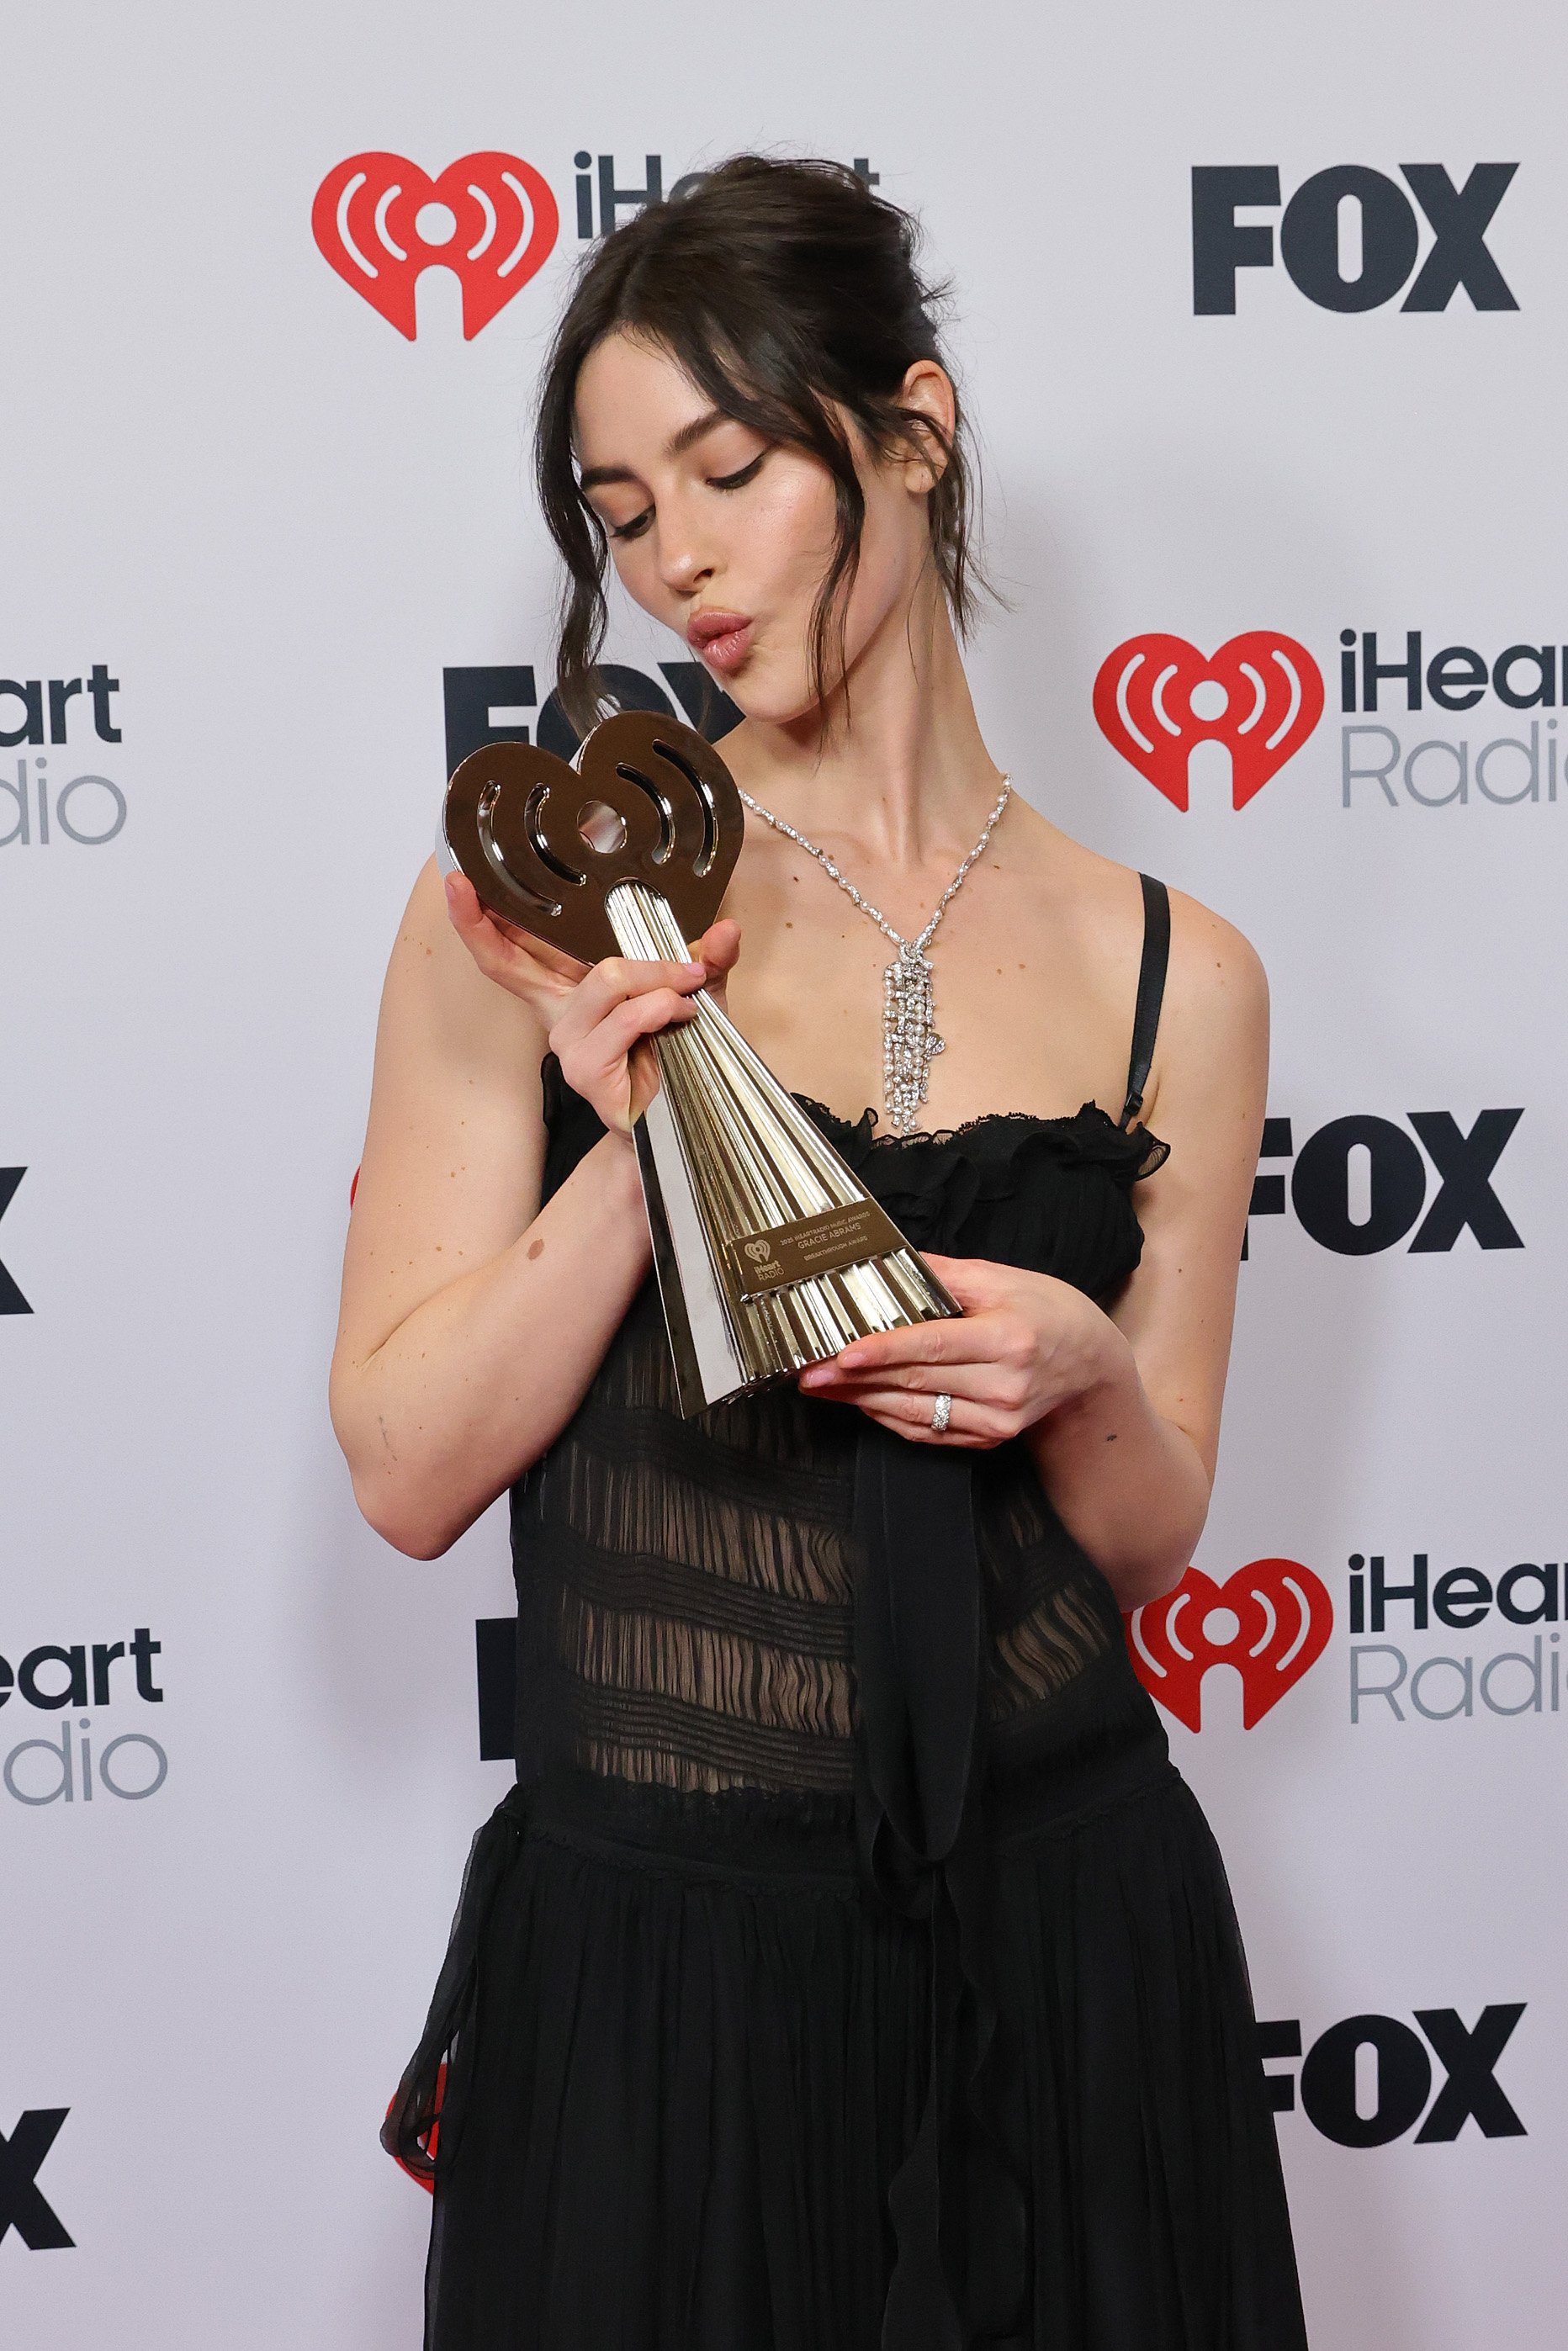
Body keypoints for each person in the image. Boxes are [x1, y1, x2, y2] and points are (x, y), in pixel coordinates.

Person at [331, 156, 1307, 2351]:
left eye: (730, 466)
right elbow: (402, 1470)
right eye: (618, 505)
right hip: (661, 1968)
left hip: (1070, 1939)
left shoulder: (1183, 973)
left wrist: (1079, 1368)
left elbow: (1154, 1525)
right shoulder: (544, 909)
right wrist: (635, 1144)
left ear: (914, 430)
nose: (671, 554)